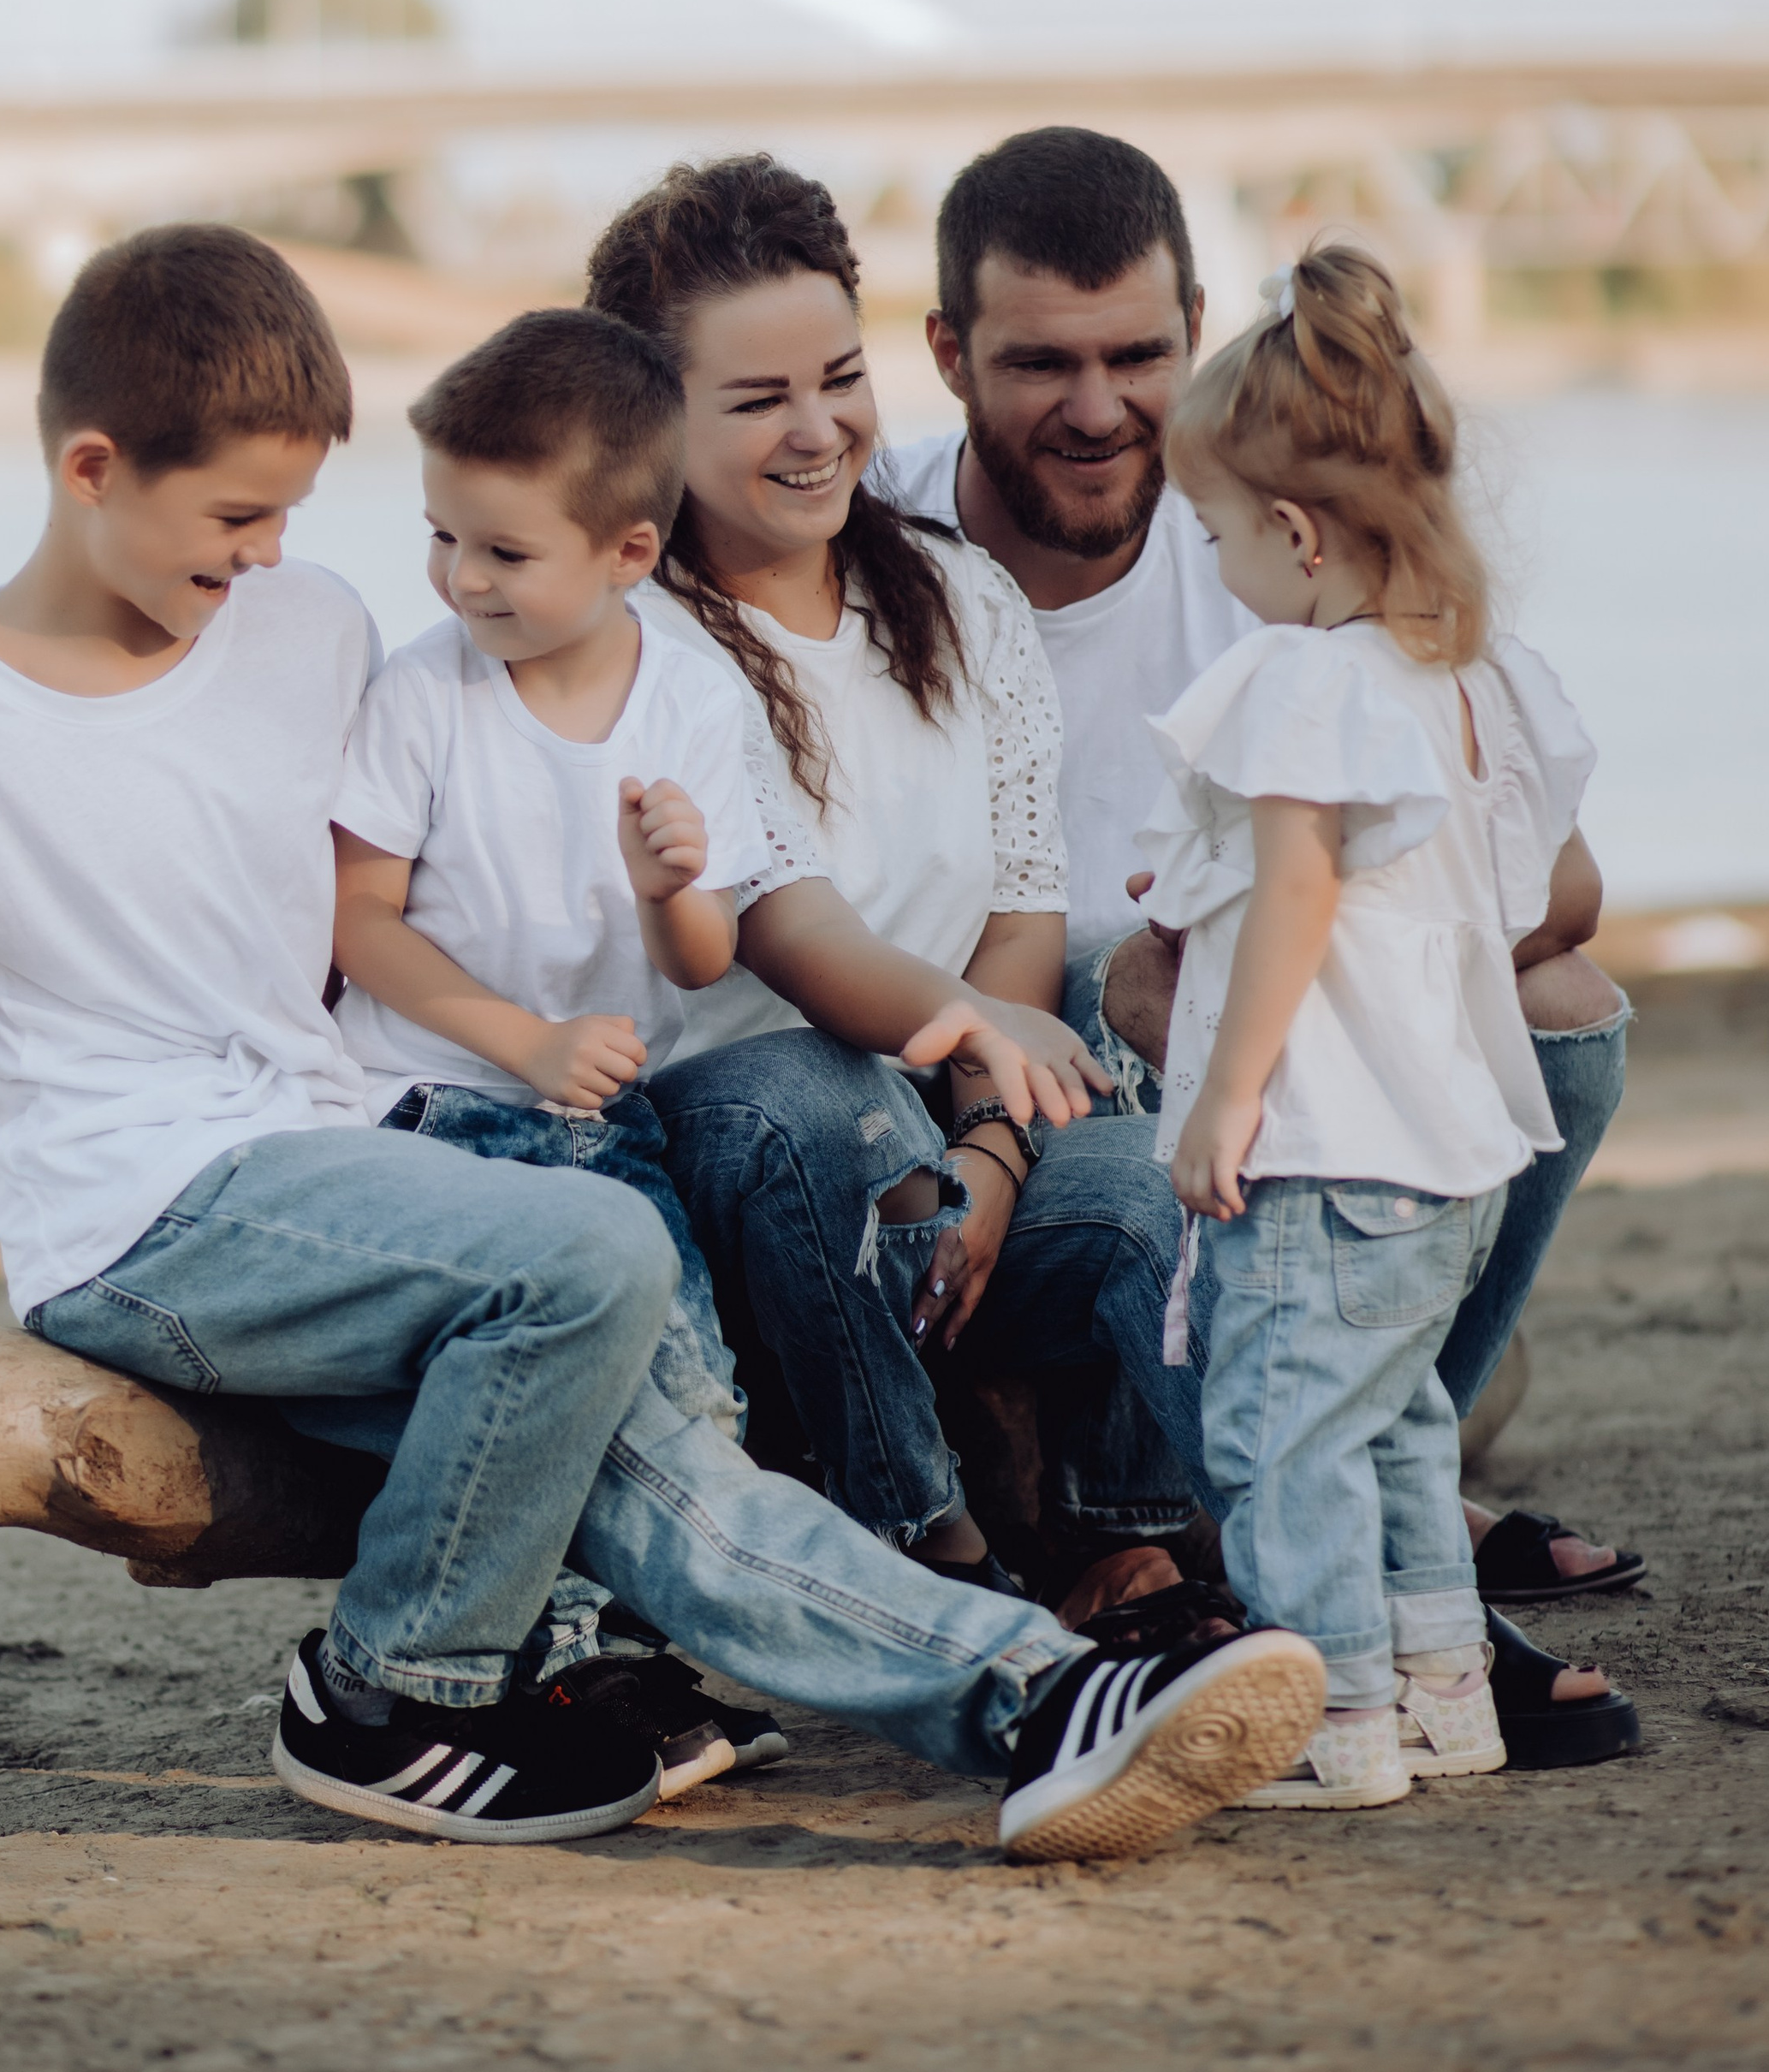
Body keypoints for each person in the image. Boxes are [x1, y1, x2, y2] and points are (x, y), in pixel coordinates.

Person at [0, 220, 1327, 1859]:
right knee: (588, 1248)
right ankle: (392, 1684)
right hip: (138, 1209)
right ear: (87, 465)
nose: (275, 553)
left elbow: (460, 832)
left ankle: (1037, 1700)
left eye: (288, 511)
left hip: (356, 1161)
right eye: (235, 516)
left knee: (658, 1467)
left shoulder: (309, 629)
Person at [877, 128, 1641, 1651]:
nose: (1100, 414)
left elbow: (1553, 890)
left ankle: (1352, 1448)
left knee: (1565, 1012)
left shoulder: (1271, 536)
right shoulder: (880, 546)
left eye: (1138, 355)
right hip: (967, 1075)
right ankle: (1281, 1503)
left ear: (1197, 324)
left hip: (1223, 1046)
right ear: (950, 353)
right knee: (1122, 977)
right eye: (1040, 364)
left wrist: (1265, 958)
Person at [582, 155, 1221, 1588]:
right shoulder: (637, 648)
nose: (818, 432)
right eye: (756, 402)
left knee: (1156, 1187)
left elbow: (1019, 904)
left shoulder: (957, 592)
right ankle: (923, 1546)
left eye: (838, 378)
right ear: (645, 417)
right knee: (809, 1092)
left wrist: (995, 1145)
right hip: (740, 1186)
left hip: (946, 1153)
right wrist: (984, 1075)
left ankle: (1153, 1543)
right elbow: (788, 936)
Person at [1147, 240, 1589, 1805]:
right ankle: (1439, 1694)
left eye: (1210, 531)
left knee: (1282, 1445)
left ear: (1291, 532)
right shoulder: (1445, 677)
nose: (1211, 564)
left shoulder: (1303, 675)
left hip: (1330, 1147)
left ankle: (1325, 1723)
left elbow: (1300, 901)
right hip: (1448, 1150)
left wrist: (1226, 1098)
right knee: (1400, 1426)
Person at [329, 301, 785, 1787]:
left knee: (691, 1381)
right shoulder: (423, 692)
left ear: (629, 555)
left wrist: (671, 888)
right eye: (441, 537)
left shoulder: (696, 696)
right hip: (447, 1096)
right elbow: (363, 925)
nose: (463, 579)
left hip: (605, 1107)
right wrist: (520, 1045)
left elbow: (704, 958)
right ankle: (572, 1666)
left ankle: (612, 1656)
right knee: (595, 1356)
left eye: (503, 551)